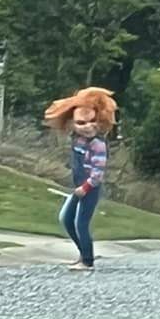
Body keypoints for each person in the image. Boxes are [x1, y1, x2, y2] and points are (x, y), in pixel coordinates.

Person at [43, 86, 117, 270]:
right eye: (81, 123)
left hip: (89, 189)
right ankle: (83, 252)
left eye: (93, 121)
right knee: (66, 219)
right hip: (78, 187)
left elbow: (97, 173)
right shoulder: (77, 140)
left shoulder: (97, 145)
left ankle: (87, 260)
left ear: (100, 120)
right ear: (72, 124)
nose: (88, 126)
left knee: (81, 223)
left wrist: (85, 187)